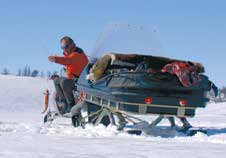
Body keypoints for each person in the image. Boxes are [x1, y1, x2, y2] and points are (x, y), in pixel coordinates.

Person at [48, 36, 88, 114]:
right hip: (74, 79)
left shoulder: (77, 54)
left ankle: (71, 104)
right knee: (56, 80)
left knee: (64, 82)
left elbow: (68, 61)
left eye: (65, 47)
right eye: (62, 47)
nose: (64, 49)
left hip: (81, 81)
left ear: (71, 45)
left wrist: (55, 59)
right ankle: (64, 103)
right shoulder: (71, 54)